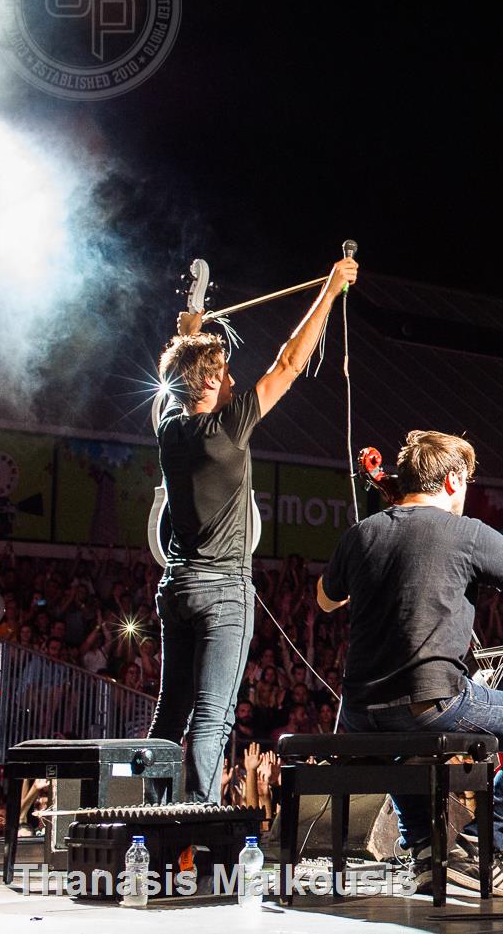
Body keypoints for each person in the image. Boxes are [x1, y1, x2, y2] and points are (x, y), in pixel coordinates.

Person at [317, 430, 503, 899]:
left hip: (359, 712)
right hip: (429, 702)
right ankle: (478, 853)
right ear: (452, 481)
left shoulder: (361, 534)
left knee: (404, 748)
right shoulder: (467, 533)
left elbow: (326, 601)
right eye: (467, 482)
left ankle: (429, 860)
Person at [147, 255, 357, 804]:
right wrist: (331, 290)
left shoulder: (169, 429)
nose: (235, 380)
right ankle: (193, 825)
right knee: (213, 717)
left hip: (176, 585)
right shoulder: (225, 428)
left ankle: (146, 818)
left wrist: (187, 338)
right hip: (220, 590)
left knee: (171, 709)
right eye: (224, 372)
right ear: (211, 380)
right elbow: (289, 362)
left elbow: (171, 385)